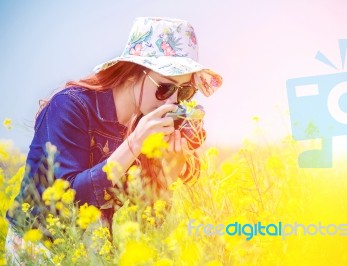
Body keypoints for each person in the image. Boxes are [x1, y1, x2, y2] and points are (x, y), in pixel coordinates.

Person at [5, 17, 222, 260]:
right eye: (165, 87)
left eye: (184, 91)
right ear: (132, 74)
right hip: (37, 246)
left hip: (89, 253)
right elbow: (69, 200)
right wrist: (133, 145)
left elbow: (143, 229)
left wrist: (166, 178)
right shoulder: (70, 106)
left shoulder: (148, 124)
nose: (173, 102)